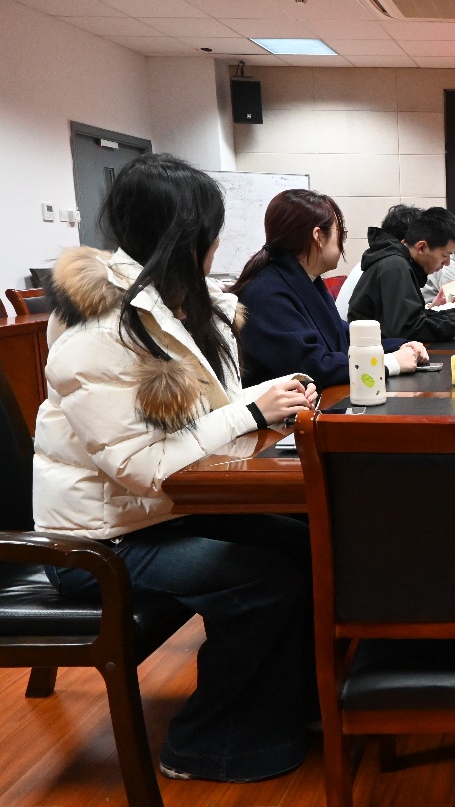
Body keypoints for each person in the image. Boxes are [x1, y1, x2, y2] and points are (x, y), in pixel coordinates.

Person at [33, 154, 319, 783]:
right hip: (98, 542)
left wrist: (266, 397)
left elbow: (197, 417)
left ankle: (292, 707)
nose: (218, 245)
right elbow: (144, 466)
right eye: (210, 232)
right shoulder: (100, 329)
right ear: (186, 238)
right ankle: (210, 744)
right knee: (264, 580)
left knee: (305, 544)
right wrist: (251, 412)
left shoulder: (175, 305)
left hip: (158, 514)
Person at [230, 189, 427, 388]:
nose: (342, 242)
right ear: (318, 236)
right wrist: (389, 362)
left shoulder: (304, 279)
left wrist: (400, 345)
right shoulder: (266, 292)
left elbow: (342, 336)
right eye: (341, 233)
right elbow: (312, 366)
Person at [347, 206, 455, 342]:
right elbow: (406, 329)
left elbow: (417, 317)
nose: (447, 263)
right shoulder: (395, 265)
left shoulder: (399, 262)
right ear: (421, 247)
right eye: (445, 255)